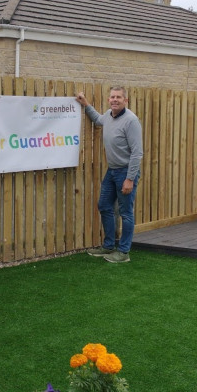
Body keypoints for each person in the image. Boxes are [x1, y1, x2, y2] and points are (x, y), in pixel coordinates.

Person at [76, 86, 143, 263]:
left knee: (126, 212)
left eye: (118, 97)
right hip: (112, 170)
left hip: (126, 172)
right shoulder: (108, 115)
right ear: (109, 100)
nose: (115, 100)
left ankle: (124, 252)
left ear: (125, 100)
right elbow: (98, 120)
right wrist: (86, 104)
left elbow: (137, 153)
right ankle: (108, 246)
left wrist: (129, 179)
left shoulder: (131, 121)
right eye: (112, 97)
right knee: (104, 205)